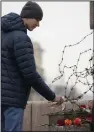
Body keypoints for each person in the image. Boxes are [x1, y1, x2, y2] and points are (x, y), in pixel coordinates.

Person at [1, 1, 65, 131]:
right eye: (37, 19)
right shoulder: (21, 38)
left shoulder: (4, 34)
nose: (38, 24)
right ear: (28, 16)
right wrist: (52, 96)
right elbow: (30, 74)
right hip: (13, 100)